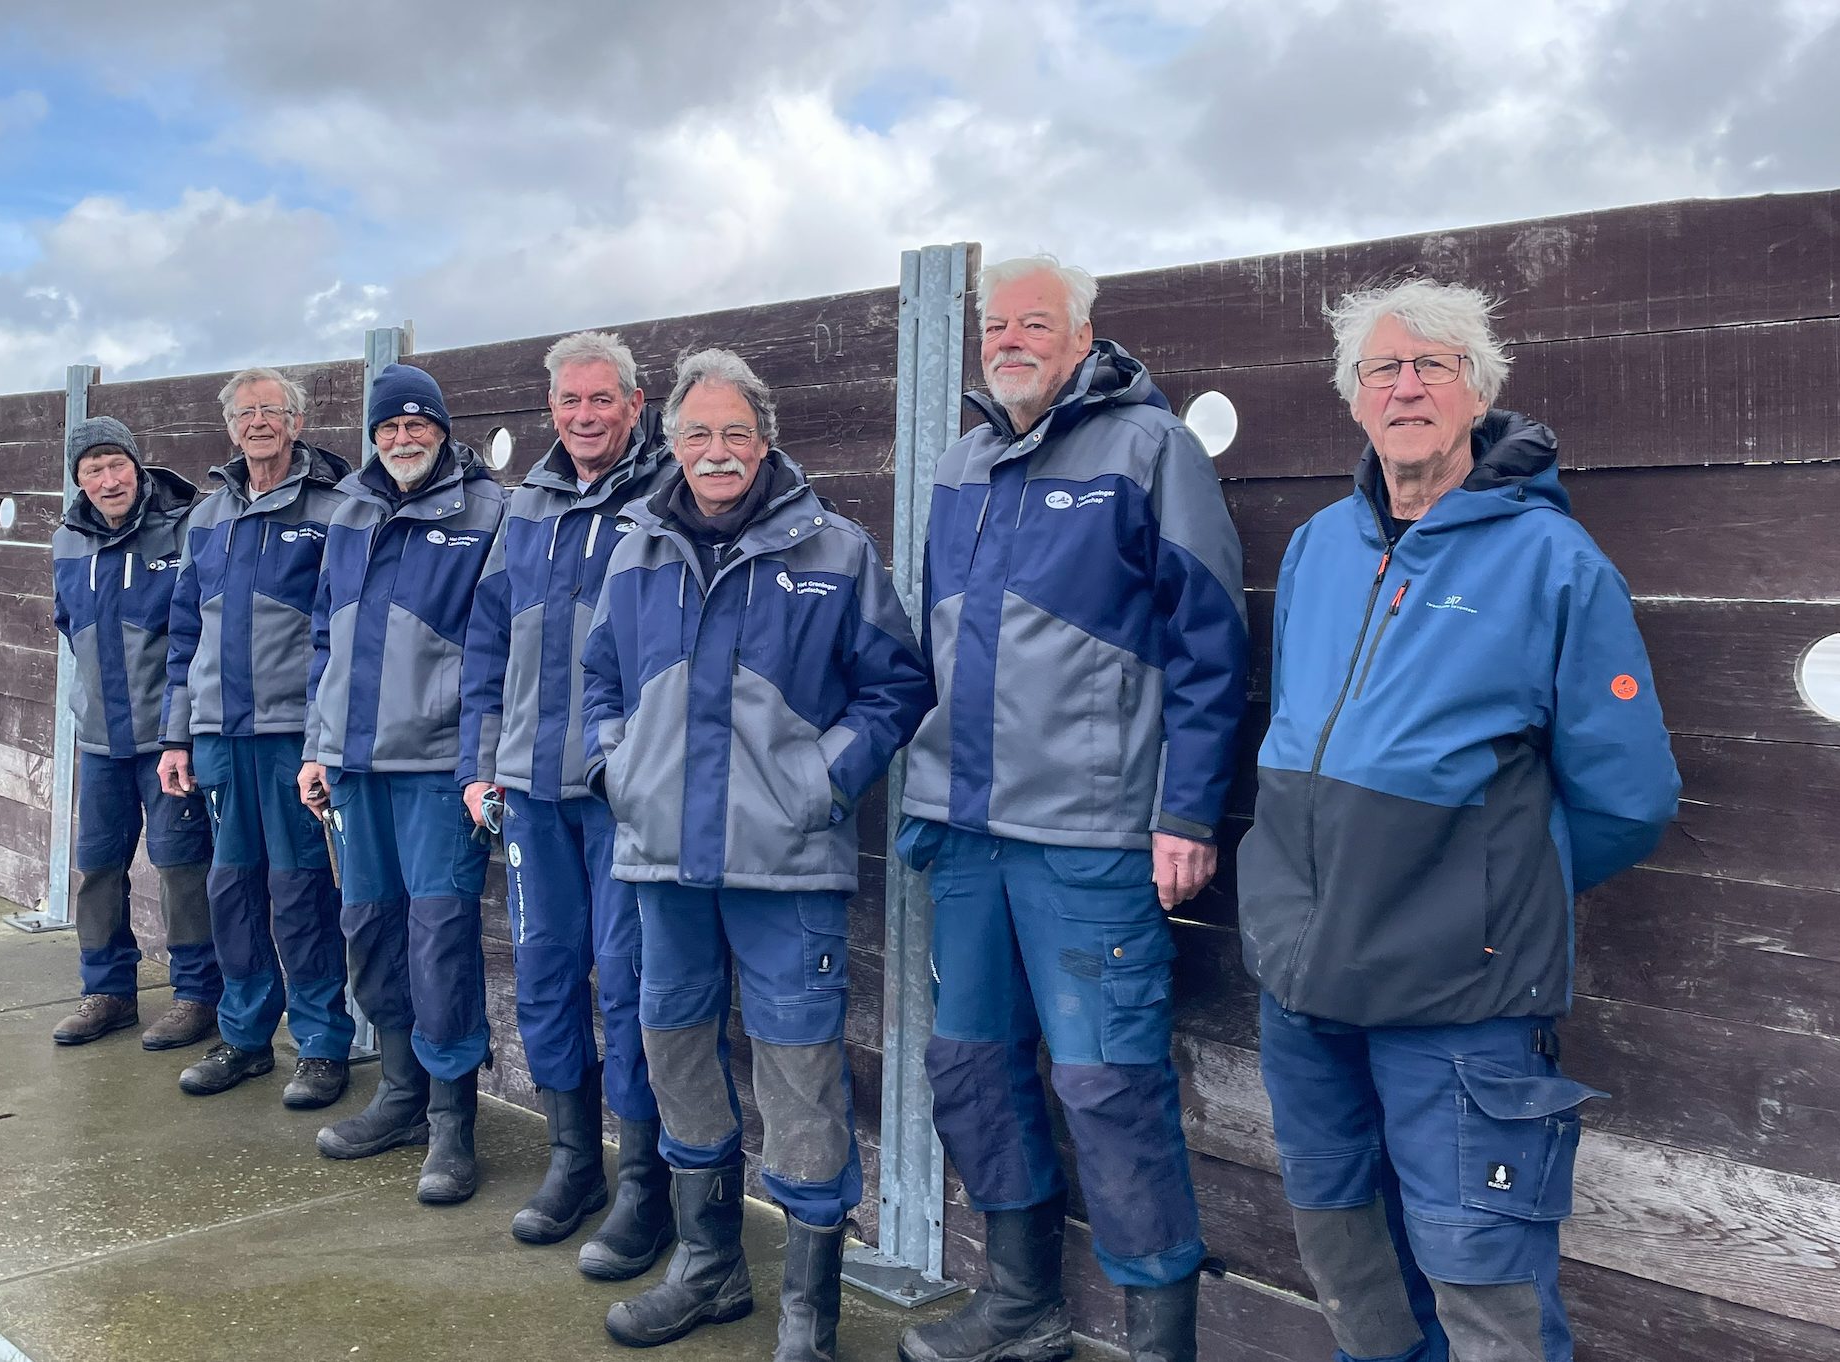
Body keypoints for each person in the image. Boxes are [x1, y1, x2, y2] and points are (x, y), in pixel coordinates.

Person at [1237, 279, 1680, 1362]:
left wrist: (1480, 892)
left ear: (1475, 392)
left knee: (1479, 1275)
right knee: (1342, 1247)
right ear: (1352, 401)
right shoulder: (1317, 548)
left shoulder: (1552, 564)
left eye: (1432, 367)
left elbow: (1629, 797)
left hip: (1458, 998)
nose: (1405, 387)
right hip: (1303, 980)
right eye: (1381, 369)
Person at [895, 256, 1250, 1362]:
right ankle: (1022, 1306)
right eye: (994, 325)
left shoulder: (1150, 449)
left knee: (1109, 1086)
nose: (1007, 340)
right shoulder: (960, 462)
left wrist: (1185, 815)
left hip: (1090, 841)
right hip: (965, 835)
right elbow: (936, 643)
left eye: (1032, 323)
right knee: (969, 1069)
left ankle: (1156, 1335)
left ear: (1083, 332)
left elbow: (1209, 648)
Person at [582, 348, 934, 1360]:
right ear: (673, 443)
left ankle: (806, 1313)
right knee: (676, 1055)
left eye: (735, 432)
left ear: (765, 439)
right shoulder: (637, 549)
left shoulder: (834, 550)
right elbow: (600, 676)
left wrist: (819, 781)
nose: (717, 450)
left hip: (785, 869)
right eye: (697, 433)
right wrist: (618, 771)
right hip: (660, 862)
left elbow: (895, 686)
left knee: (798, 1079)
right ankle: (709, 1267)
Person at [459, 332, 675, 1265]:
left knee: (628, 988)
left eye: (601, 400)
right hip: (529, 788)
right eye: (569, 403)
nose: (584, 417)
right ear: (550, 412)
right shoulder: (528, 506)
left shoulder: (667, 497)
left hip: (622, 793)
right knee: (546, 976)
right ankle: (572, 1159)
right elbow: (484, 640)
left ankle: (644, 1184)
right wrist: (480, 761)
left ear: (636, 403)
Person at [300, 363, 506, 1204]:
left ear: (444, 429)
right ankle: (399, 1098)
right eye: (389, 426)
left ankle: (455, 1125)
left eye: (419, 424)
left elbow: (496, 648)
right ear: (373, 434)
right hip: (354, 768)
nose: (403, 437)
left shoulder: (487, 511)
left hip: (436, 772)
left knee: (441, 942)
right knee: (370, 931)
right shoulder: (348, 509)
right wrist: (318, 745)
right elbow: (324, 637)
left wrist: (478, 762)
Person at [157, 367, 358, 1109]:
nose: (258, 423)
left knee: (301, 890)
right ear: (230, 428)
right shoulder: (207, 517)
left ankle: (321, 1045)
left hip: (290, 737)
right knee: (232, 889)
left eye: (272, 410)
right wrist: (176, 736)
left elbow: (340, 629)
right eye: (245, 413)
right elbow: (184, 630)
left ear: (297, 422)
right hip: (217, 735)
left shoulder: (334, 510)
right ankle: (244, 1037)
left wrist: (322, 738)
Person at [47, 415, 221, 1051]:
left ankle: (198, 994)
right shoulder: (67, 542)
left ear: (138, 466)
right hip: (98, 740)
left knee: (181, 867)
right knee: (97, 867)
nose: (108, 479)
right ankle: (108, 991)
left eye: (116, 464)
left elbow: (199, 630)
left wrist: (182, 728)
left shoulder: (183, 528)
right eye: (92, 470)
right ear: (79, 481)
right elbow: (70, 624)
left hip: (166, 739)